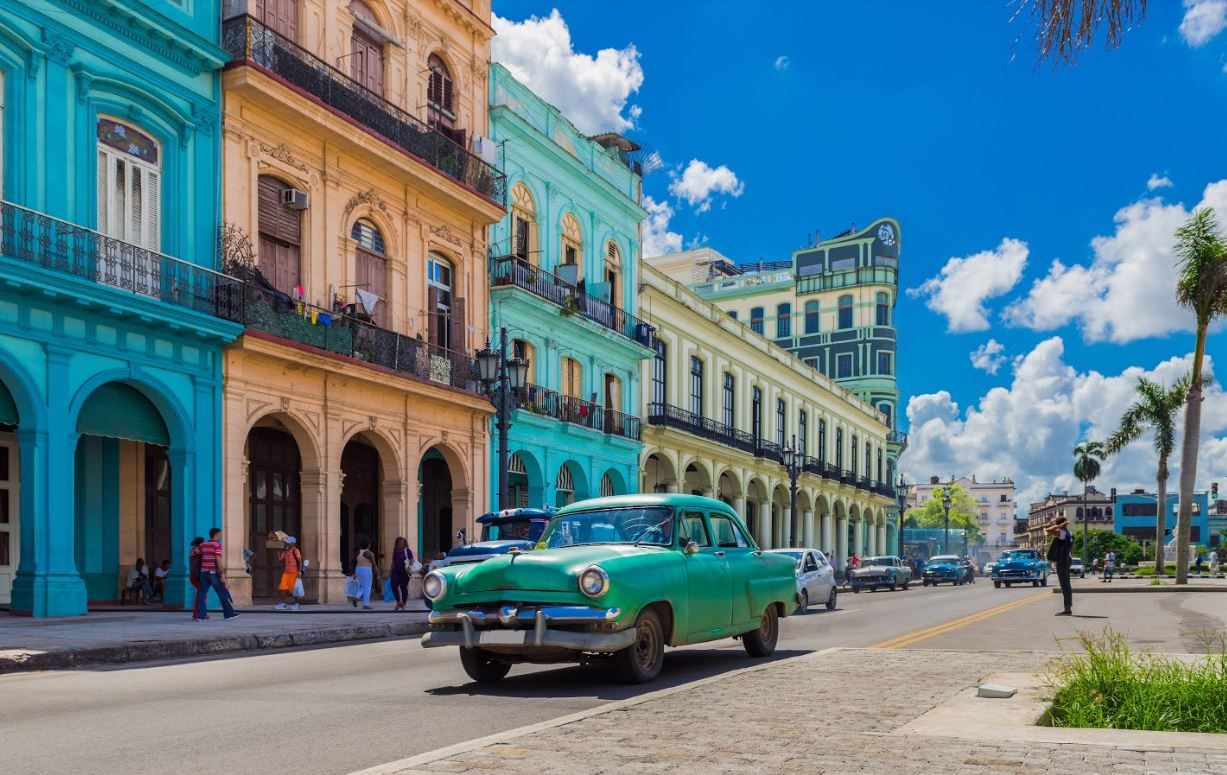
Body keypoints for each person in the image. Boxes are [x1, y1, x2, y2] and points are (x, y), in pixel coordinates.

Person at [195, 528, 238, 620]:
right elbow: (218, 559)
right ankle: (229, 614)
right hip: (213, 573)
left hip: (203, 573)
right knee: (222, 592)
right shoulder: (217, 545)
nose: (221, 536)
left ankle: (201, 616)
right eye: (220, 534)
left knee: (201, 594)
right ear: (216, 534)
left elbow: (192, 553)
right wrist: (222, 573)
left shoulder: (203, 545)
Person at [1045, 516, 1075, 615]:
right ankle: (1068, 607)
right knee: (1067, 584)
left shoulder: (1061, 533)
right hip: (1068, 559)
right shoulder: (1070, 533)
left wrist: (1058, 526)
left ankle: (1067, 609)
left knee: (1064, 585)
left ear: (1061, 524)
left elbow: (1048, 530)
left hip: (1062, 561)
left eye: (1056, 523)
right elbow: (1072, 548)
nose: (1055, 525)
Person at [275, 536, 302, 611]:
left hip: (294, 572)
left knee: (295, 589)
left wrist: (299, 572)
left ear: (292, 543)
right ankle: (283, 604)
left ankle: (296, 604)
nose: (286, 543)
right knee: (282, 587)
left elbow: (300, 562)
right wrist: (279, 550)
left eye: (288, 542)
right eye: (286, 542)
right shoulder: (286, 551)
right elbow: (280, 559)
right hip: (286, 572)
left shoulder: (295, 551)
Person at [390, 537, 414, 612]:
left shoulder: (407, 550)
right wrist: (390, 571)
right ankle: (398, 602)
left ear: (404, 543)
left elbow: (412, 559)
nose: (400, 544)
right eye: (399, 542)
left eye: (402, 542)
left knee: (403, 587)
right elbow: (393, 561)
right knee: (393, 585)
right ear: (396, 543)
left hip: (405, 571)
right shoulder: (395, 550)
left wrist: (409, 567)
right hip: (396, 570)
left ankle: (404, 604)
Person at [353, 540, 379, 610]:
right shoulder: (369, 553)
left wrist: (354, 573)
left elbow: (354, 561)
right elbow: (374, 564)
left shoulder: (358, 552)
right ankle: (365, 605)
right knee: (367, 587)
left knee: (362, 586)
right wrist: (378, 574)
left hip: (358, 569)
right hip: (366, 570)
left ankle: (356, 597)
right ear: (368, 545)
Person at [188, 537, 205, 620]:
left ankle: (201, 612)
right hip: (195, 576)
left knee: (202, 595)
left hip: (198, 576)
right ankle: (196, 614)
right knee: (200, 595)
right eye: (203, 543)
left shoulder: (196, 550)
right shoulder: (194, 550)